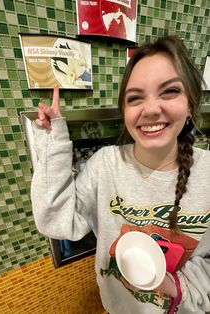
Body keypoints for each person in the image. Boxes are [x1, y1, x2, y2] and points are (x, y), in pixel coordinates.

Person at [30, 35, 210, 314]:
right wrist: (53, 143)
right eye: (135, 97)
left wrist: (177, 287)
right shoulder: (105, 166)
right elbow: (57, 222)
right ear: (125, 111)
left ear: (190, 104)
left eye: (170, 91)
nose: (151, 109)